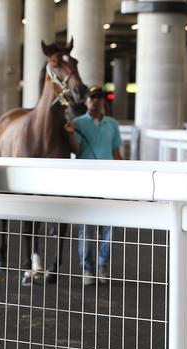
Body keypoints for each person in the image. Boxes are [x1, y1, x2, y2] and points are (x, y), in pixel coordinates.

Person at [65, 85, 123, 286]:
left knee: (111, 227)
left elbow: (116, 153)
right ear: (86, 101)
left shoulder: (112, 124)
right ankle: (87, 267)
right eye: (92, 97)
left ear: (103, 101)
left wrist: (127, 176)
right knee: (86, 229)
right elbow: (76, 150)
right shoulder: (78, 123)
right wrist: (71, 134)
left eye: (99, 96)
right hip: (86, 181)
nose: (95, 100)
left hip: (109, 181)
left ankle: (102, 263)